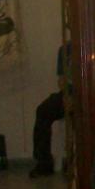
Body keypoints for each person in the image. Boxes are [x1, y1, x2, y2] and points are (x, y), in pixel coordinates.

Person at [30, 43, 70, 178]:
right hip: (69, 93)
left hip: (88, 93)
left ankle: (75, 160)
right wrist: (65, 92)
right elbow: (61, 79)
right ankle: (44, 161)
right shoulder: (65, 49)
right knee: (43, 110)